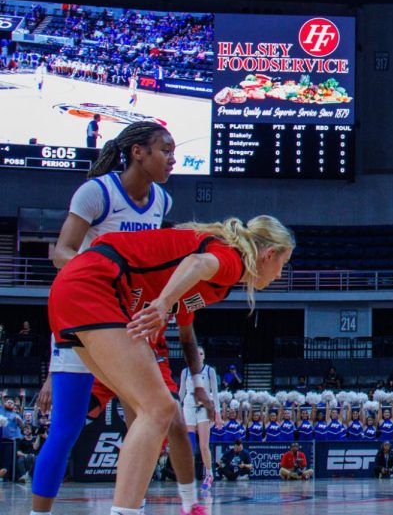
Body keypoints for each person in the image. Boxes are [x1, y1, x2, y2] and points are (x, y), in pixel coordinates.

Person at [47, 216, 294, 515]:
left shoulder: (218, 282)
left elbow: (185, 315)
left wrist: (196, 379)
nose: (280, 274)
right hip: (95, 284)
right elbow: (196, 263)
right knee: (160, 408)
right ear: (268, 254)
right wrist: (162, 303)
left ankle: (136, 506)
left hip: (78, 288)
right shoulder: (231, 259)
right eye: (283, 263)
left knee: (147, 409)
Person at [31, 122, 198, 515]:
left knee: (147, 419)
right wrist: (108, 276)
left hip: (126, 320)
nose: (173, 158)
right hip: (87, 312)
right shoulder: (97, 192)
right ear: (138, 152)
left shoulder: (161, 201)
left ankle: (130, 507)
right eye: (166, 149)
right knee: (67, 429)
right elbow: (61, 253)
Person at [180, 347, 221, 496]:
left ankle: (209, 474)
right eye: (196, 353)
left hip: (204, 404)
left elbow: (215, 394)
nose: (199, 355)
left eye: (201, 353)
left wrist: (218, 414)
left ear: (204, 356)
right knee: (191, 444)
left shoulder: (209, 371)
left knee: (204, 445)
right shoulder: (185, 372)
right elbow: (180, 393)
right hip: (189, 404)